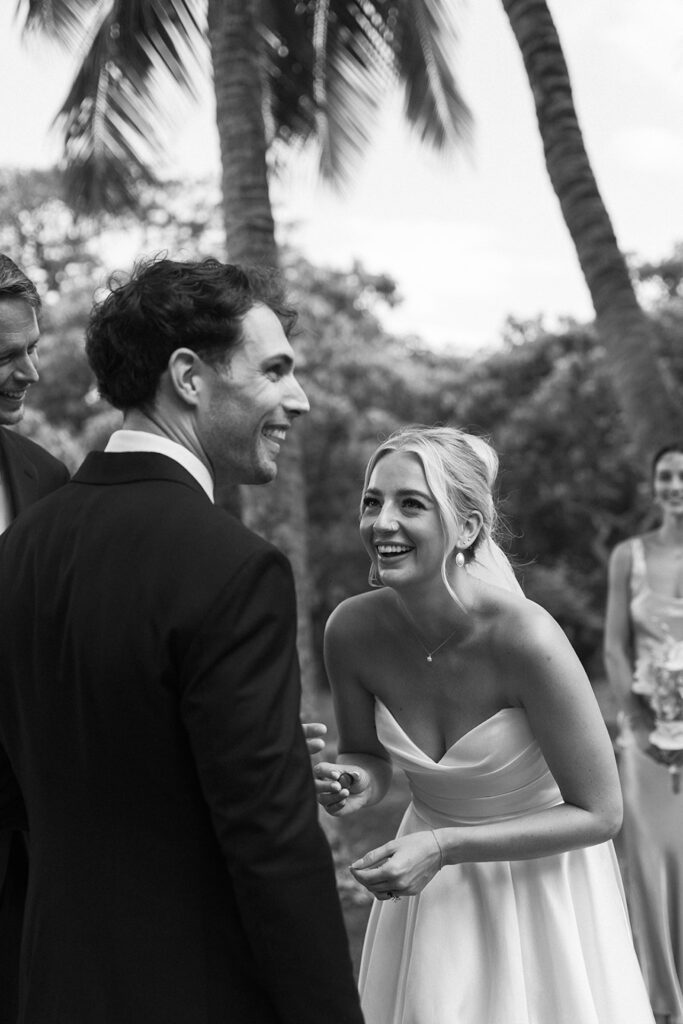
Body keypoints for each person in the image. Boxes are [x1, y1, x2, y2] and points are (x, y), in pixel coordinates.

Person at [0, 256, 364, 1024]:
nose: (295, 399)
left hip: (48, 984)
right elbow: (270, 845)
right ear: (190, 378)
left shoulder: (23, 544)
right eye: (273, 371)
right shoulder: (232, 570)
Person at [312, 425, 655, 1024]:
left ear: (466, 528)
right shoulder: (350, 631)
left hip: (541, 886)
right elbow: (368, 756)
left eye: (410, 504)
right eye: (373, 501)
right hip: (427, 890)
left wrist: (445, 847)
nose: (381, 522)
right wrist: (352, 780)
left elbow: (602, 813)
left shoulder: (527, 638)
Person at [0, 254, 69, 1024]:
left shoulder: (47, 480)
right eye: (4, 356)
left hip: (26, 859)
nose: (29, 373)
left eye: (29, 348)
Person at [604, 443, 683, 1024]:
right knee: (652, 868)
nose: (675, 485)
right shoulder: (627, 556)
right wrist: (636, 720)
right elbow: (613, 645)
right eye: (666, 475)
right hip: (646, 737)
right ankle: (665, 1005)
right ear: (653, 484)